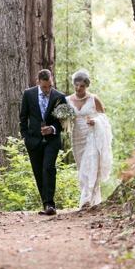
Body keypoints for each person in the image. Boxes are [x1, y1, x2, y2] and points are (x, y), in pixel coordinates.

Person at [19, 69, 67, 216]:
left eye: (50, 86)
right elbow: (23, 117)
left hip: (52, 140)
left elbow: (63, 122)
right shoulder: (28, 94)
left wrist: (52, 128)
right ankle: (45, 203)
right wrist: (25, 136)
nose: (47, 90)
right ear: (38, 82)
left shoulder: (60, 97)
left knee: (48, 167)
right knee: (39, 172)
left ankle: (50, 204)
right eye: (45, 86)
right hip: (33, 140)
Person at [66, 69, 113, 210]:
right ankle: (91, 199)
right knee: (82, 169)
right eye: (76, 85)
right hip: (77, 136)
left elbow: (103, 117)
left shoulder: (94, 99)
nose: (78, 88)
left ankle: (86, 201)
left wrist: (95, 121)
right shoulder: (67, 100)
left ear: (87, 86)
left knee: (91, 166)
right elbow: (64, 117)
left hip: (92, 135)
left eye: (82, 86)